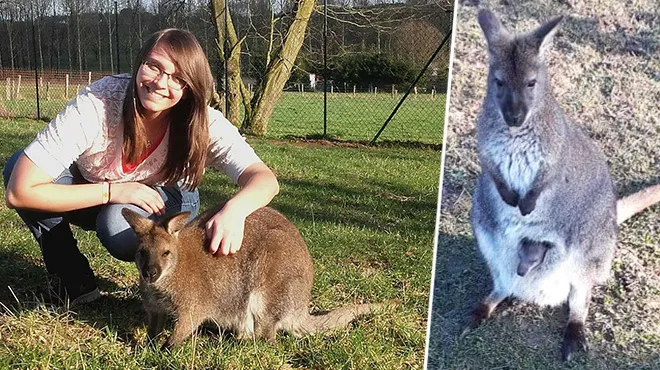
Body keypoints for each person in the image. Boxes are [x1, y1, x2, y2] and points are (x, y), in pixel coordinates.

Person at [2, 28, 279, 306]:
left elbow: (264, 179)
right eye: (154, 66)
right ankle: (74, 279)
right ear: (139, 63)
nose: (160, 82)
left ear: (190, 86)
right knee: (19, 166)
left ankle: (167, 287)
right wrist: (112, 191)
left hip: (162, 198)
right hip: (99, 188)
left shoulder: (203, 121)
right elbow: (19, 191)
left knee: (116, 226)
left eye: (177, 77)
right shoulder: (98, 104)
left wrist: (236, 210)